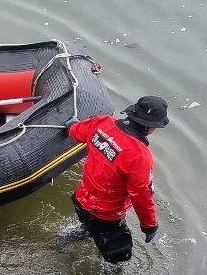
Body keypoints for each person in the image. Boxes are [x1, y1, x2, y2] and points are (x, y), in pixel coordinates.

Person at [66, 96, 170, 264]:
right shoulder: (140, 156)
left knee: (87, 226)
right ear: (152, 126)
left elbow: (75, 132)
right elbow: (140, 194)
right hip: (106, 215)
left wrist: (71, 125)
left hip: (81, 199)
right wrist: (149, 226)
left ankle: (62, 243)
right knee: (119, 260)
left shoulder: (102, 123)